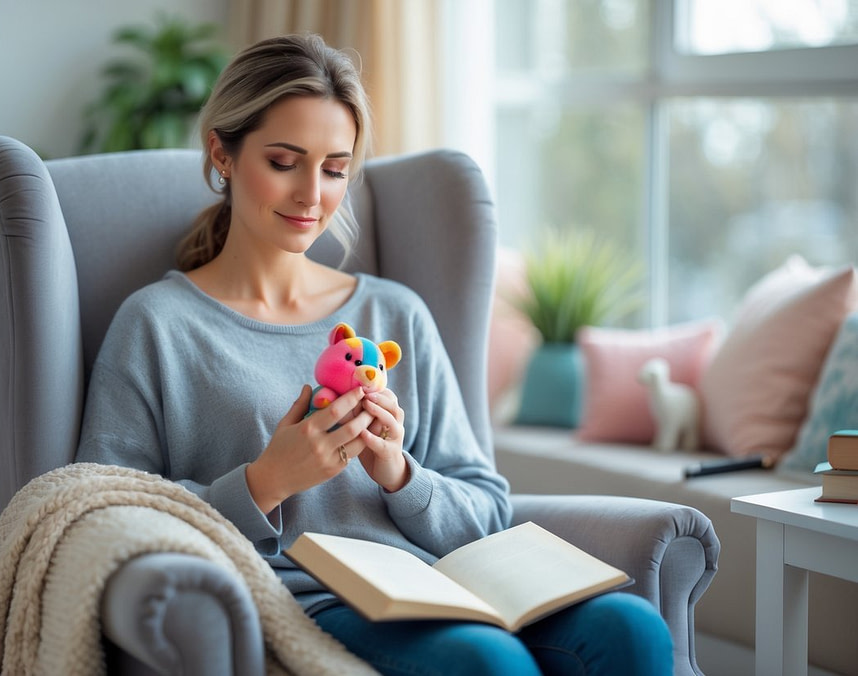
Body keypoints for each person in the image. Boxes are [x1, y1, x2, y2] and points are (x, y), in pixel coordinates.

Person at [76, 33, 673, 675]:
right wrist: (266, 482)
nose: (313, 196)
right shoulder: (158, 325)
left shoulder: (395, 316)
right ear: (222, 151)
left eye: (334, 169)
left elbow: (486, 507)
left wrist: (401, 474)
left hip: (446, 584)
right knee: (486, 663)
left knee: (632, 627)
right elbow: (106, 519)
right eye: (284, 161)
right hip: (307, 601)